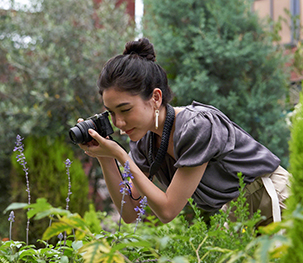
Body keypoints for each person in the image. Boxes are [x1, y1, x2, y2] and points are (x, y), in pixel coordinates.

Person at [78, 37, 290, 227]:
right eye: (111, 113)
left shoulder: (196, 126)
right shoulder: (145, 142)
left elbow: (168, 210)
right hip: (237, 211)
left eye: (125, 110)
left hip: (274, 196)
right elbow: (130, 212)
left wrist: (121, 156)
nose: (119, 122)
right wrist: (105, 159)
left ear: (156, 98)